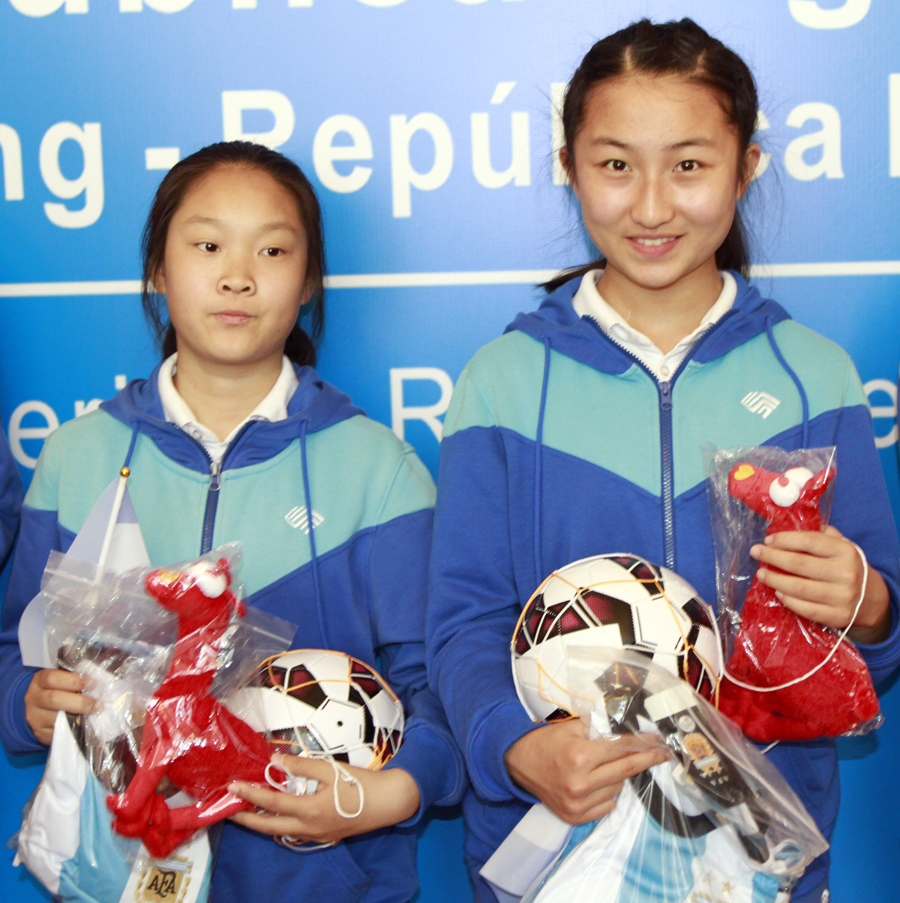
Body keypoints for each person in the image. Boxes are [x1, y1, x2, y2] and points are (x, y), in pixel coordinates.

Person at [426, 18, 900, 903]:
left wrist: (867, 602)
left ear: (745, 167)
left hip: (758, 862)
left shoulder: (813, 376)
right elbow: (461, 622)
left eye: (688, 164)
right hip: (562, 859)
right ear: (568, 169)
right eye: (615, 165)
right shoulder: (504, 381)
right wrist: (516, 747)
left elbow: (874, 632)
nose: (650, 205)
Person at [0, 140, 464, 903]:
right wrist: (28, 704)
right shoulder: (77, 457)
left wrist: (385, 793)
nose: (237, 275)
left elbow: (438, 692)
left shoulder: (378, 470)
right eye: (207, 243)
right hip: (112, 880)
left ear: (309, 279)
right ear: (158, 267)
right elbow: (14, 655)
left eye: (272, 249)